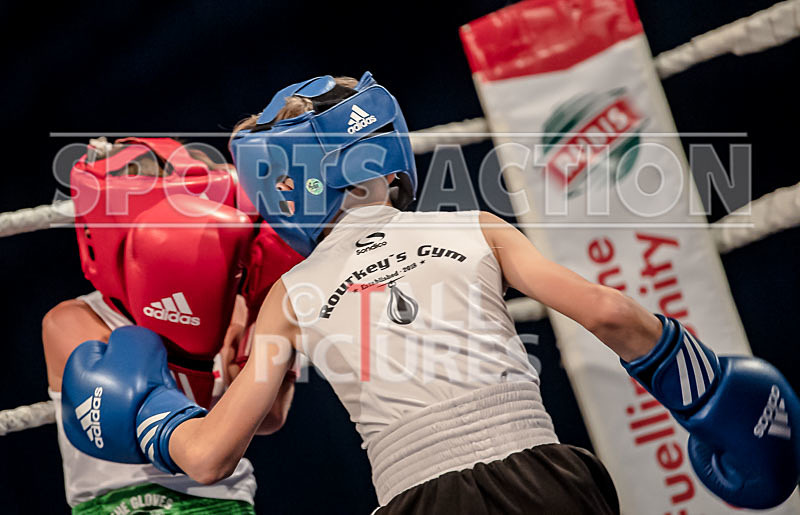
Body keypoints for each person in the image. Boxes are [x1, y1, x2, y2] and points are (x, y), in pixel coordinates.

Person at [60, 75, 800, 513]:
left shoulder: (292, 292)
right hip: (550, 477)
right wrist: (707, 392)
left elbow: (212, 454)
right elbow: (609, 312)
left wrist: (153, 415)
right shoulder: (477, 225)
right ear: (388, 151)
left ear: (280, 183)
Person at [44, 137, 301, 514]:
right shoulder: (73, 320)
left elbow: (271, 417)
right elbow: (120, 425)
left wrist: (262, 329)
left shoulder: (239, 305)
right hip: (118, 505)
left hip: (222, 502)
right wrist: (198, 345)